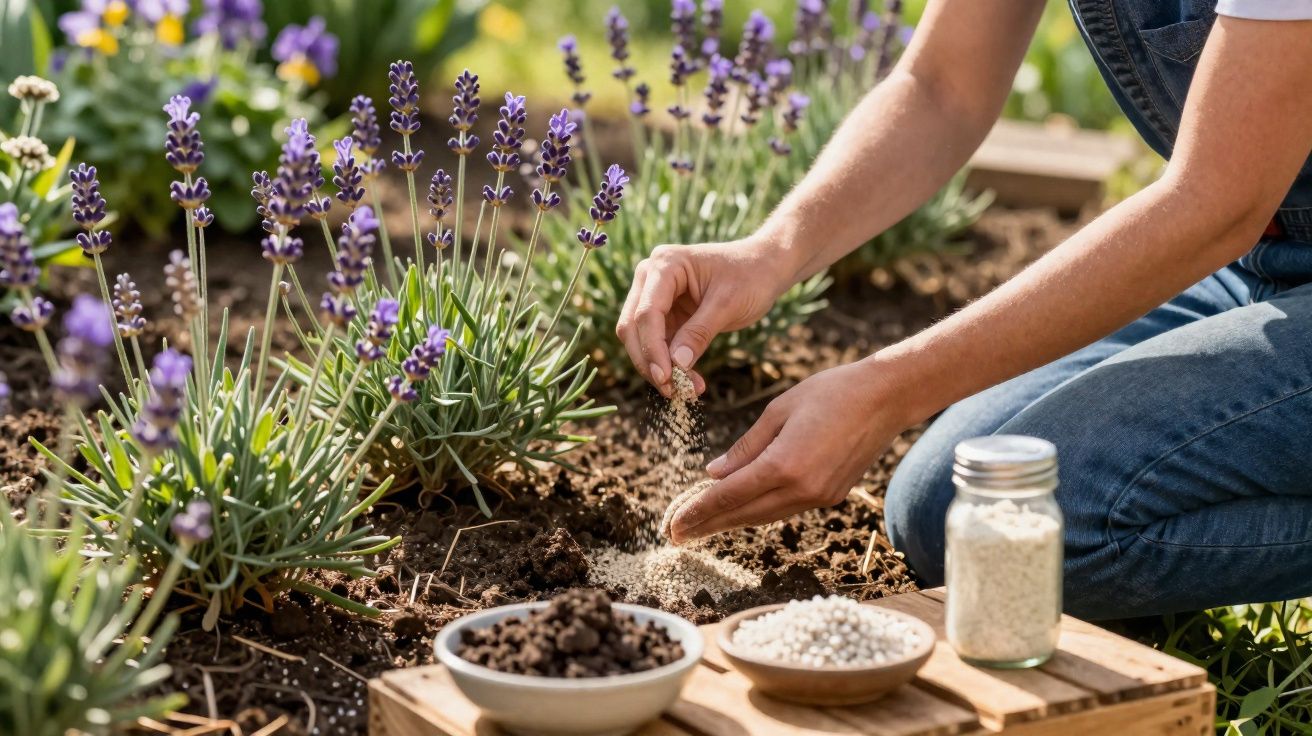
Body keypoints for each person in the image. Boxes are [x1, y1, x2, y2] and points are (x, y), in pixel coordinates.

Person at [618, 0, 1312, 619]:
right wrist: (770, 251)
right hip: (1262, 266)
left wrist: (887, 391)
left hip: (1232, 221)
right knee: (953, 515)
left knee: (1048, 532)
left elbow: (1214, 202)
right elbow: (942, 86)